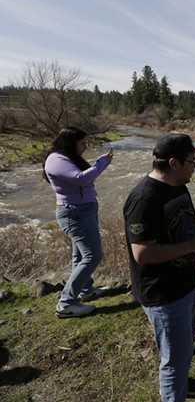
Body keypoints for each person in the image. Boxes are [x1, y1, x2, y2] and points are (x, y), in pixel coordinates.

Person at [123, 133, 195, 400]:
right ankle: (176, 389)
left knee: (183, 349)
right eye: (192, 161)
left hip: (185, 284)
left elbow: (188, 224)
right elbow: (142, 252)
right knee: (173, 359)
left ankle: (182, 381)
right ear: (174, 162)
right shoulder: (144, 199)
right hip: (163, 294)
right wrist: (191, 246)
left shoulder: (179, 185)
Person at [43, 126, 113, 318]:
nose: (84, 147)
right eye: (82, 143)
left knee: (80, 256)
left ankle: (86, 289)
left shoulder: (67, 157)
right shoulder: (56, 159)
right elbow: (80, 179)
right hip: (74, 213)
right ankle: (66, 303)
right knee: (92, 256)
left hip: (84, 209)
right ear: (70, 142)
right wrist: (102, 163)